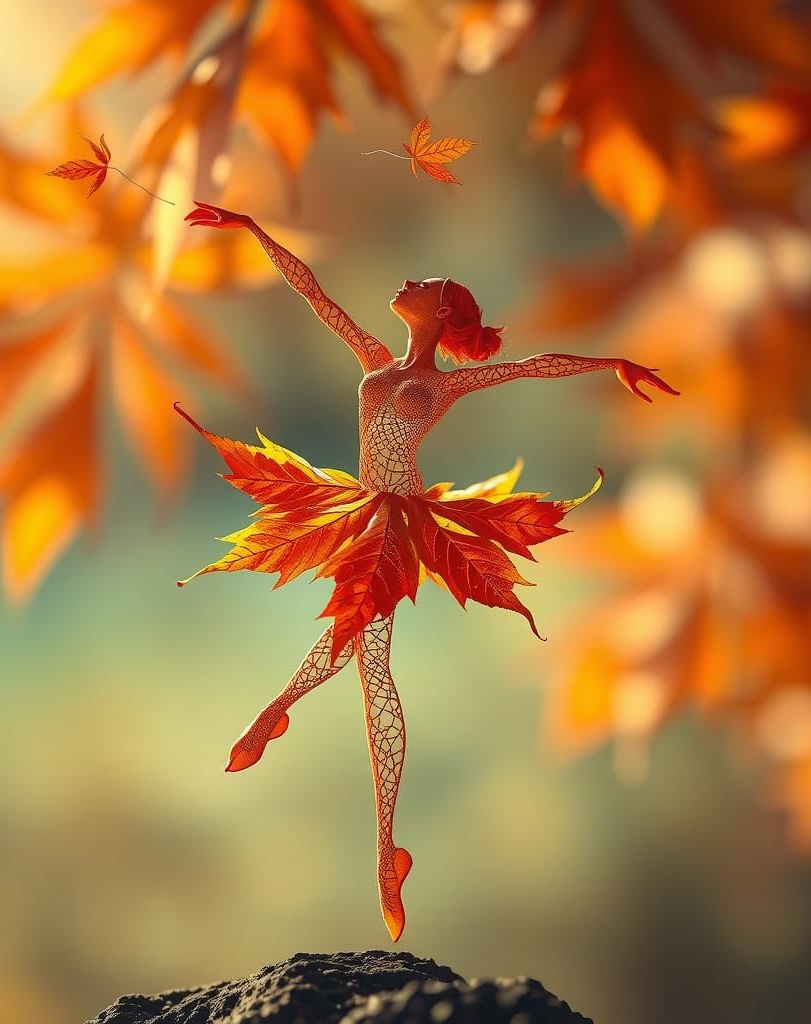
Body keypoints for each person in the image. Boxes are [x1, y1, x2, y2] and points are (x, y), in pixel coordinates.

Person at [177, 202, 680, 940]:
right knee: (368, 664)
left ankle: (313, 758)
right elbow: (312, 293)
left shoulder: (444, 386)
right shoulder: (375, 357)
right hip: (356, 507)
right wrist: (252, 229)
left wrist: (613, 363)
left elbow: (533, 367)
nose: (406, 280)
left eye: (424, 282)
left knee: (368, 659)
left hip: (402, 520)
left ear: (440, 311)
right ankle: (380, 842)